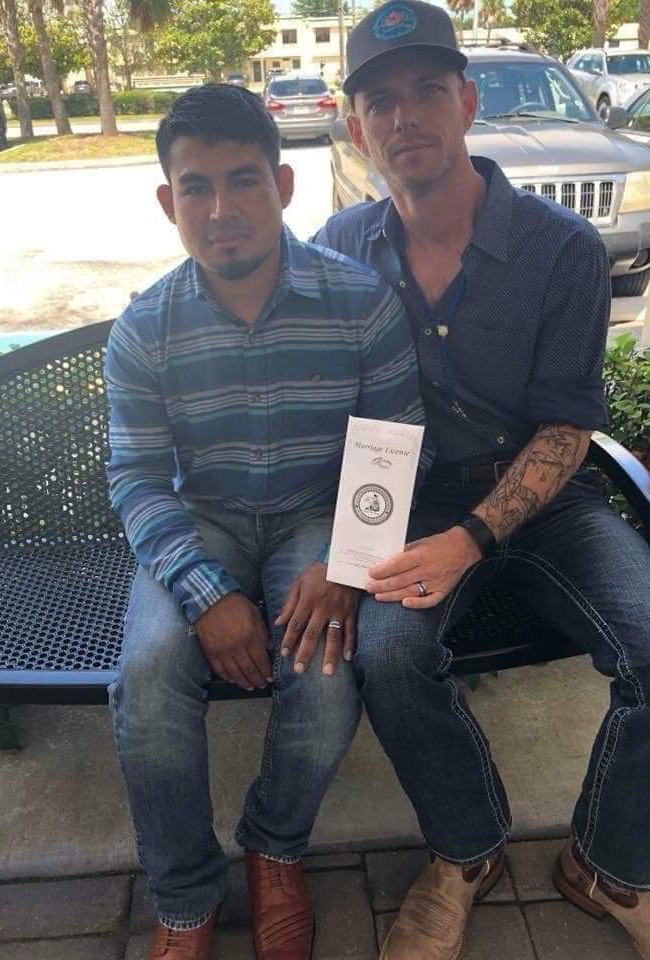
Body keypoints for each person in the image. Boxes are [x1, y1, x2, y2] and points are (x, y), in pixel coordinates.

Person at [312, 2, 650, 958]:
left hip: (544, 502)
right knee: (388, 658)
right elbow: (330, 414)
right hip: (405, 501)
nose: (406, 117)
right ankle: (466, 854)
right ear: (357, 129)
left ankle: (607, 864)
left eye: (427, 91)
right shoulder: (340, 248)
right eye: (381, 102)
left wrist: (472, 539)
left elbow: (568, 428)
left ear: (466, 103)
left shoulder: (561, 249)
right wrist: (336, 548)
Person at [105, 83, 431, 960]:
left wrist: (351, 560)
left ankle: (274, 847)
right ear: (169, 202)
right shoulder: (145, 329)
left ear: (283, 186)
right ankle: (183, 896)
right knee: (147, 675)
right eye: (197, 188)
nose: (222, 211)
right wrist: (206, 594)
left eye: (243, 181)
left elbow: (395, 444)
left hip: (315, 519)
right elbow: (138, 478)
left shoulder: (359, 301)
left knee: (325, 672)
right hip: (200, 519)